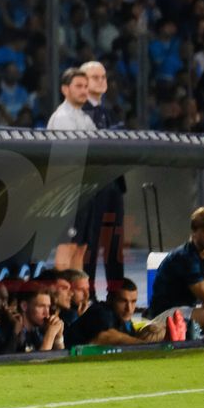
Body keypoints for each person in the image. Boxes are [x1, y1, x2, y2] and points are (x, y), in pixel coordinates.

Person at [146, 207, 204, 334]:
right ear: (194, 232)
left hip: (184, 310)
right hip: (164, 314)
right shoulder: (187, 257)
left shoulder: (203, 255)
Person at [80, 60, 126, 293]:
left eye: (103, 76)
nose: (102, 80)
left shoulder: (109, 112)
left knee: (114, 241)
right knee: (91, 240)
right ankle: (86, 293)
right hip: (92, 186)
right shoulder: (79, 113)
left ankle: (117, 292)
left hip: (113, 184)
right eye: (95, 77)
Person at [48, 67, 97, 272]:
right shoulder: (62, 118)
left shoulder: (85, 119)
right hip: (66, 190)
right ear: (65, 89)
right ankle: (61, 292)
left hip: (83, 188)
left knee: (81, 246)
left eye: (86, 86)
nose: (84, 91)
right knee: (67, 246)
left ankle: (76, 294)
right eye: (78, 86)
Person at [65, 278, 160, 348]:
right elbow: (105, 336)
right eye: (123, 301)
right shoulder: (100, 312)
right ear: (109, 299)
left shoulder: (126, 324)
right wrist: (147, 347)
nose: (129, 308)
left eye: (133, 301)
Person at [13, 288, 65, 352]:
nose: (46, 313)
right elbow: (37, 361)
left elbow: (61, 360)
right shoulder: (14, 333)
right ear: (24, 306)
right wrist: (51, 334)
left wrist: (58, 338)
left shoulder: (38, 333)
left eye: (48, 307)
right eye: (41, 306)